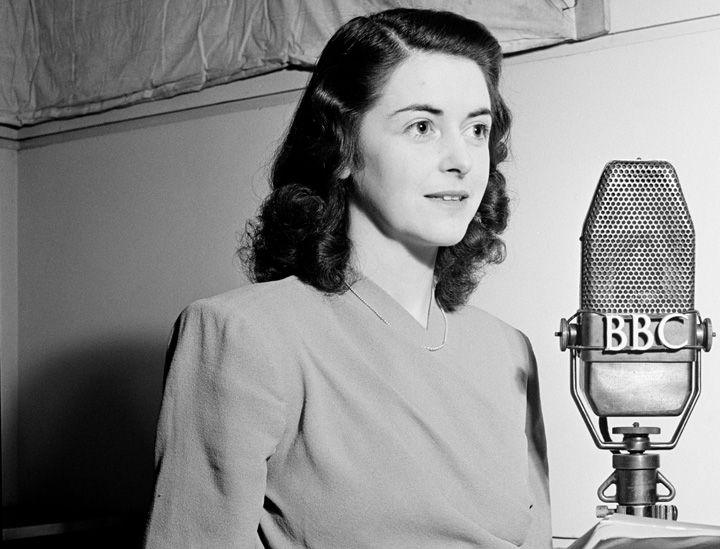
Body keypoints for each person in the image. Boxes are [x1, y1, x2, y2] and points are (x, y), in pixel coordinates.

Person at [144, 8, 551, 548]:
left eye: (477, 129)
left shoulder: (509, 351)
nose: (462, 159)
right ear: (342, 149)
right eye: (422, 126)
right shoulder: (241, 334)